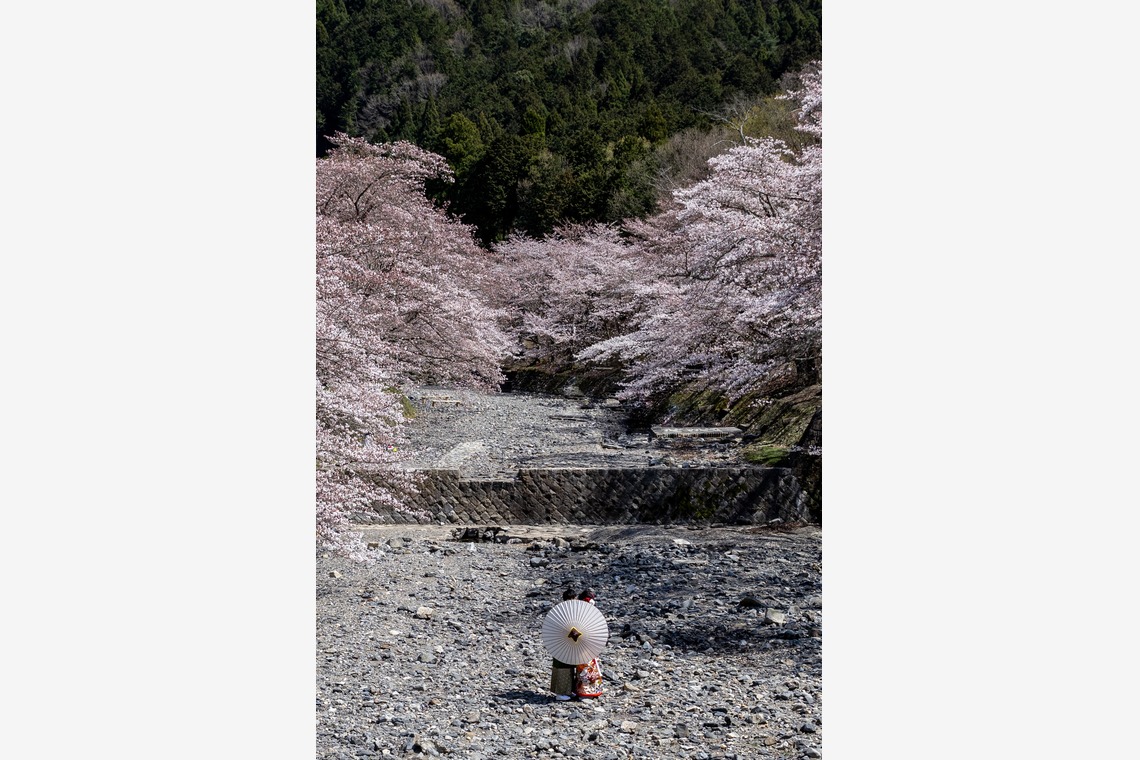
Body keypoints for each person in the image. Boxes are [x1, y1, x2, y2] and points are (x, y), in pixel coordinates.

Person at [574, 588, 604, 699]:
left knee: (585, 666)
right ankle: (588, 691)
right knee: (588, 666)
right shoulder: (590, 612)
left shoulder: (577, 612)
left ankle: (583, 690)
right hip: (588, 641)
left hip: (582, 641)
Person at [549, 588, 578, 701]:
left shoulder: (566, 610)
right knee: (563, 667)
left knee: (570, 667)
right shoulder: (561, 611)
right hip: (561, 642)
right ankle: (560, 693)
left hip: (567, 642)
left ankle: (569, 690)